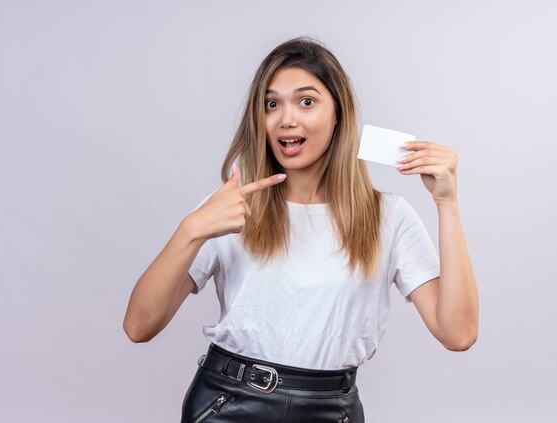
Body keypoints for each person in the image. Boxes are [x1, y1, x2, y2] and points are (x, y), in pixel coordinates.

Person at [123, 36, 479, 423]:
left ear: (338, 113)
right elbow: (139, 326)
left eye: (306, 101)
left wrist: (447, 205)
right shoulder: (230, 208)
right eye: (271, 104)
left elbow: (457, 334)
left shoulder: (387, 217)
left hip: (331, 411)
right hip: (229, 404)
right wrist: (190, 230)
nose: (286, 119)